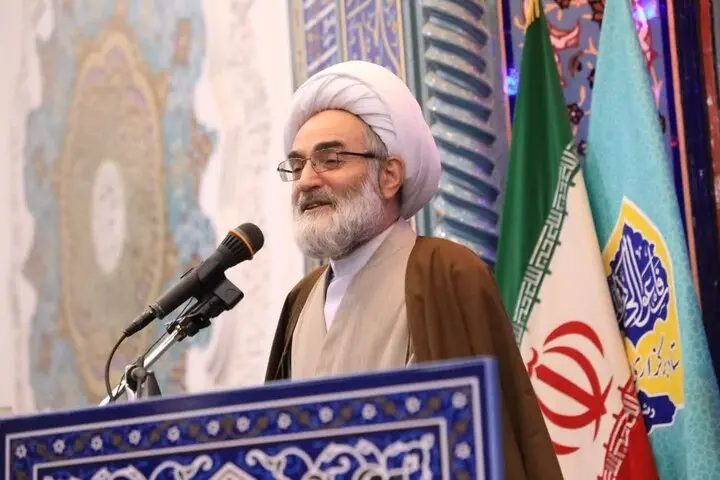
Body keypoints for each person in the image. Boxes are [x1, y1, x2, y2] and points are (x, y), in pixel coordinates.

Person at [264, 60, 562, 479]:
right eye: (297, 166)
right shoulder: (301, 301)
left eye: (330, 160)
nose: (306, 181)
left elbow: (485, 445)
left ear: (389, 176)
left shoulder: (445, 272)